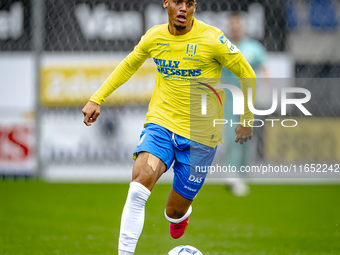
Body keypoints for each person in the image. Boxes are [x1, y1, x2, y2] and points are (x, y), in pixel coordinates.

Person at [82, 1, 256, 254]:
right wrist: (97, 97)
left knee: (174, 211)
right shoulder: (154, 37)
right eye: (178, 2)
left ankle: (179, 215)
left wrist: (247, 120)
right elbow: (129, 64)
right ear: (166, 3)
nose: (183, 8)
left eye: (189, 3)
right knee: (138, 190)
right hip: (161, 126)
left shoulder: (213, 39)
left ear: (195, 6)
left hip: (200, 137)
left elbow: (247, 74)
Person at [221, 12, 269, 197]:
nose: (235, 28)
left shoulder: (254, 48)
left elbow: (265, 69)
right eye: (232, 25)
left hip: (250, 101)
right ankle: (232, 175)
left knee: (248, 139)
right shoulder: (224, 48)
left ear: (243, 26)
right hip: (230, 100)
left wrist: (266, 90)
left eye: (238, 24)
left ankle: (242, 174)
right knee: (233, 135)